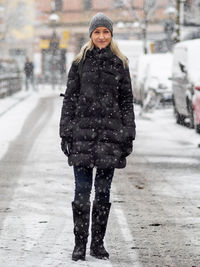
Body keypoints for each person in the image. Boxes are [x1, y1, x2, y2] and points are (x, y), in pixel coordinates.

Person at [59, 12, 136, 262]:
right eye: (97, 32)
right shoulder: (79, 63)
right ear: (91, 35)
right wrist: (66, 133)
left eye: (105, 32)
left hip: (109, 139)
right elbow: (69, 99)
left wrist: (128, 134)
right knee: (82, 192)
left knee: (103, 193)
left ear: (111, 35)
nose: (101, 36)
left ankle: (98, 244)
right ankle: (79, 244)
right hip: (82, 137)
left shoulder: (120, 64)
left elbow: (126, 101)